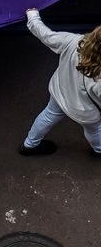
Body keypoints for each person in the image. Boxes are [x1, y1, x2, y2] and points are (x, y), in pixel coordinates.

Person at [18, 9, 101, 157]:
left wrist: (33, 17)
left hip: (60, 92)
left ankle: (29, 145)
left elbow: (46, 35)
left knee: (48, 115)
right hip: (85, 111)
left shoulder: (74, 42)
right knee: (94, 130)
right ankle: (99, 150)